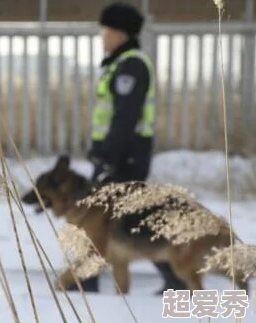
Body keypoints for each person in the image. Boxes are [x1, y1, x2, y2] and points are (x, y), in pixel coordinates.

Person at [71, 2, 188, 294]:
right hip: (121, 154)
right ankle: (175, 278)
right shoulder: (120, 65)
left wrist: (108, 157)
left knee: (108, 218)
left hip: (125, 157)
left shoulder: (132, 66)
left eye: (108, 31)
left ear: (122, 33)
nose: (104, 37)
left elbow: (126, 117)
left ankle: (88, 281)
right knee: (130, 220)